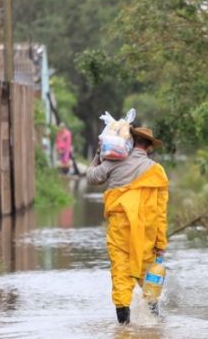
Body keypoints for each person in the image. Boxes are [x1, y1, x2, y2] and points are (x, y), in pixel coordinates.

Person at [86, 127, 169, 324]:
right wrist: (161, 243)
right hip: (146, 232)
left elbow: (91, 177)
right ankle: (156, 324)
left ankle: (123, 329)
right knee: (149, 278)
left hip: (119, 230)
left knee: (121, 276)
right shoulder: (157, 171)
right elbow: (160, 213)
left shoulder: (114, 162)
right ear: (149, 147)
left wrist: (99, 154)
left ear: (130, 142)